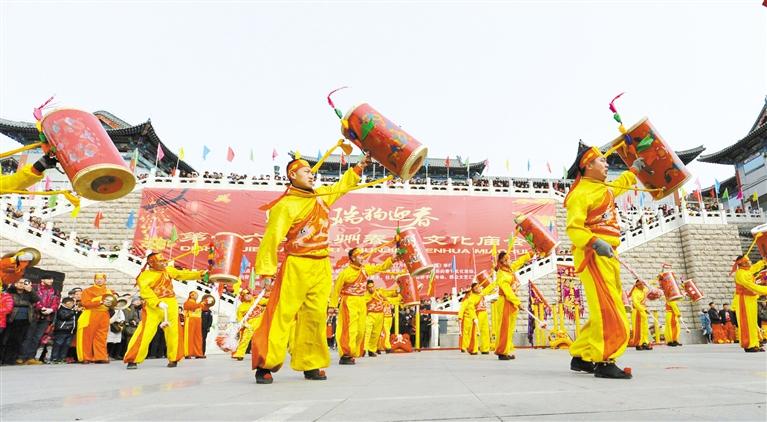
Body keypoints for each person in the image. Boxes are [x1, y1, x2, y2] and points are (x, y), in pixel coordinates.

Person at [250, 155, 372, 384]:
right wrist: (266, 271)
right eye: (306, 171)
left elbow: (341, 186)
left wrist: (358, 167)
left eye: (311, 171)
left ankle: (311, 363)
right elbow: (271, 239)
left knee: (315, 316)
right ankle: (265, 363)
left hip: (321, 264)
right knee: (282, 314)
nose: (311, 174)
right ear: (292, 175)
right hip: (296, 264)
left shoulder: (321, 197)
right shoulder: (284, 206)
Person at [564, 144, 645, 379]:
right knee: (608, 307)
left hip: (608, 253)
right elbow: (574, 228)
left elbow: (619, 185)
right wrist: (593, 241)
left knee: (605, 306)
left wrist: (634, 171)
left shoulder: (602, 189)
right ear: (588, 165)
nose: (607, 164)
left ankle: (581, 356)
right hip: (593, 255)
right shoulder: (580, 194)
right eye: (602, 160)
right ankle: (605, 360)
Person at [123, 252, 205, 369]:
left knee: (173, 331)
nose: (163, 263)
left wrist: (200, 274)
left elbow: (183, 274)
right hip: (153, 306)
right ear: (151, 263)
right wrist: (157, 302)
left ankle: (174, 358)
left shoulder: (168, 271)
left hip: (170, 303)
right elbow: (145, 291)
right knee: (145, 332)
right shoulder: (145, 275)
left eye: (163, 260)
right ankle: (133, 359)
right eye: (160, 261)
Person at [330, 249, 393, 364]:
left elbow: (380, 267)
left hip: (361, 301)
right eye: (360, 256)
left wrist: (392, 260)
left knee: (360, 330)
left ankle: (353, 351)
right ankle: (345, 355)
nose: (362, 258)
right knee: (350, 329)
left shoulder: (364, 270)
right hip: (349, 301)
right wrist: (332, 305)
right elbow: (336, 289)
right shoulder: (346, 272)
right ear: (353, 258)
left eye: (363, 255)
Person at [494, 251, 532, 360]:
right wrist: (518, 303)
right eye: (507, 259)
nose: (510, 261)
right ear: (502, 261)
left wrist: (529, 255)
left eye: (509, 259)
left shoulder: (509, 269)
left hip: (510, 301)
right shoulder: (502, 274)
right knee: (504, 327)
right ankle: (501, 352)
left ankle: (507, 350)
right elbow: (508, 292)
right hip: (505, 301)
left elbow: (518, 262)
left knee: (510, 328)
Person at [19, 277, 59, 364]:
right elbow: (33, 299)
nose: (51, 281)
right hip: (34, 315)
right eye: (48, 279)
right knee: (28, 336)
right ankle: (21, 357)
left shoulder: (55, 291)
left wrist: (51, 309)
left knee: (37, 338)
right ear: (42, 280)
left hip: (46, 317)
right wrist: (41, 308)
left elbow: (56, 302)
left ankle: (31, 357)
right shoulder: (35, 287)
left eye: (52, 279)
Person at [731, 255, 767, 352]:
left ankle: (755, 343)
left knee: (753, 322)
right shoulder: (740, 274)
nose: (750, 262)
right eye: (748, 261)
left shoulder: (746, 271)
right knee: (746, 323)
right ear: (743, 264)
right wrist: (765, 290)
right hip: (743, 300)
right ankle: (748, 345)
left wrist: (763, 261)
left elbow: (754, 268)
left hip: (751, 299)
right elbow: (751, 286)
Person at [76, 274, 114, 364]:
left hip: (104, 314)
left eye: (101, 279)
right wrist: (100, 301)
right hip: (91, 314)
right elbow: (85, 303)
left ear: (105, 280)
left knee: (102, 337)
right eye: (97, 279)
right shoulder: (87, 290)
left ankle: (100, 357)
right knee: (87, 336)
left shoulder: (109, 291)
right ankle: (85, 357)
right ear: (94, 280)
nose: (99, 281)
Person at [1, 279, 39, 364]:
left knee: (18, 340)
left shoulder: (28, 293)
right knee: (7, 340)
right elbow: (14, 302)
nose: (22, 284)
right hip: (12, 320)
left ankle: (12, 359)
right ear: (15, 284)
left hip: (25, 320)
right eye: (19, 283)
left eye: (24, 283)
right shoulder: (10, 292)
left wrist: (31, 291)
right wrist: (27, 303)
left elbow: (36, 299)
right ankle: (4, 358)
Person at [459, 281, 497, 355]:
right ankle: (473, 349)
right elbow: (470, 308)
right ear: (473, 290)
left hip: (484, 313)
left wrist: (496, 282)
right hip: (477, 315)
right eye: (476, 288)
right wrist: (474, 317)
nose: (478, 288)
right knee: (475, 333)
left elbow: (489, 288)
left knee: (485, 332)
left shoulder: (482, 293)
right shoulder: (471, 298)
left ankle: (485, 348)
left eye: (479, 287)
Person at [363, 280, 398, 357]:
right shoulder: (364, 295)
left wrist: (396, 292)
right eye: (369, 287)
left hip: (380, 315)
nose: (371, 289)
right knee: (367, 332)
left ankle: (371, 350)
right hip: (370, 315)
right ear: (367, 288)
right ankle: (363, 349)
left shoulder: (380, 292)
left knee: (376, 334)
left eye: (372, 287)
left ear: (374, 286)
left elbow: (389, 293)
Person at [233, 289, 269, 361]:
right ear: (243, 297)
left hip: (261, 325)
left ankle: (262, 355)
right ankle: (239, 354)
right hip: (250, 326)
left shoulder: (257, 300)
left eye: (249, 294)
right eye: (246, 295)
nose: (248, 296)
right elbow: (240, 319)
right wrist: (245, 325)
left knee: (261, 341)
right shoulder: (241, 307)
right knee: (244, 340)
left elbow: (267, 301)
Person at [51, 297, 77, 363]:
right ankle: (54, 358)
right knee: (58, 344)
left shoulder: (71, 310)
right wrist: (73, 311)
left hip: (70, 331)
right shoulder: (61, 310)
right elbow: (64, 317)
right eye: (70, 303)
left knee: (66, 345)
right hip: (61, 330)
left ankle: (62, 358)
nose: (72, 304)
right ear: (64, 303)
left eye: (72, 303)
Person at [629, 280, 652, 351]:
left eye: (643, 284)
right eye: (641, 284)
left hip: (642, 311)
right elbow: (636, 303)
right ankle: (638, 343)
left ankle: (645, 342)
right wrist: (643, 309)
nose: (643, 285)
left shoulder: (644, 290)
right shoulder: (635, 293)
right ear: (637, 285)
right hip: (637, 312)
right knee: (638, 328)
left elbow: (650, 288)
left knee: (645, 328)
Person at [183, 291, 205, 359]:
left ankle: (198, 353)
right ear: (191, 295)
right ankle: (187, 353)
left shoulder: (198, 303)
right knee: (189, 337)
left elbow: (205, 308)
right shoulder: (187, 302)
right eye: (195, 295)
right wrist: (200, 304)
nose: (196, 296)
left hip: (198, 320)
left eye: (197, 295)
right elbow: (192, 307)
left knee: (198, 337)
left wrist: (207, 302)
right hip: (190, 319)